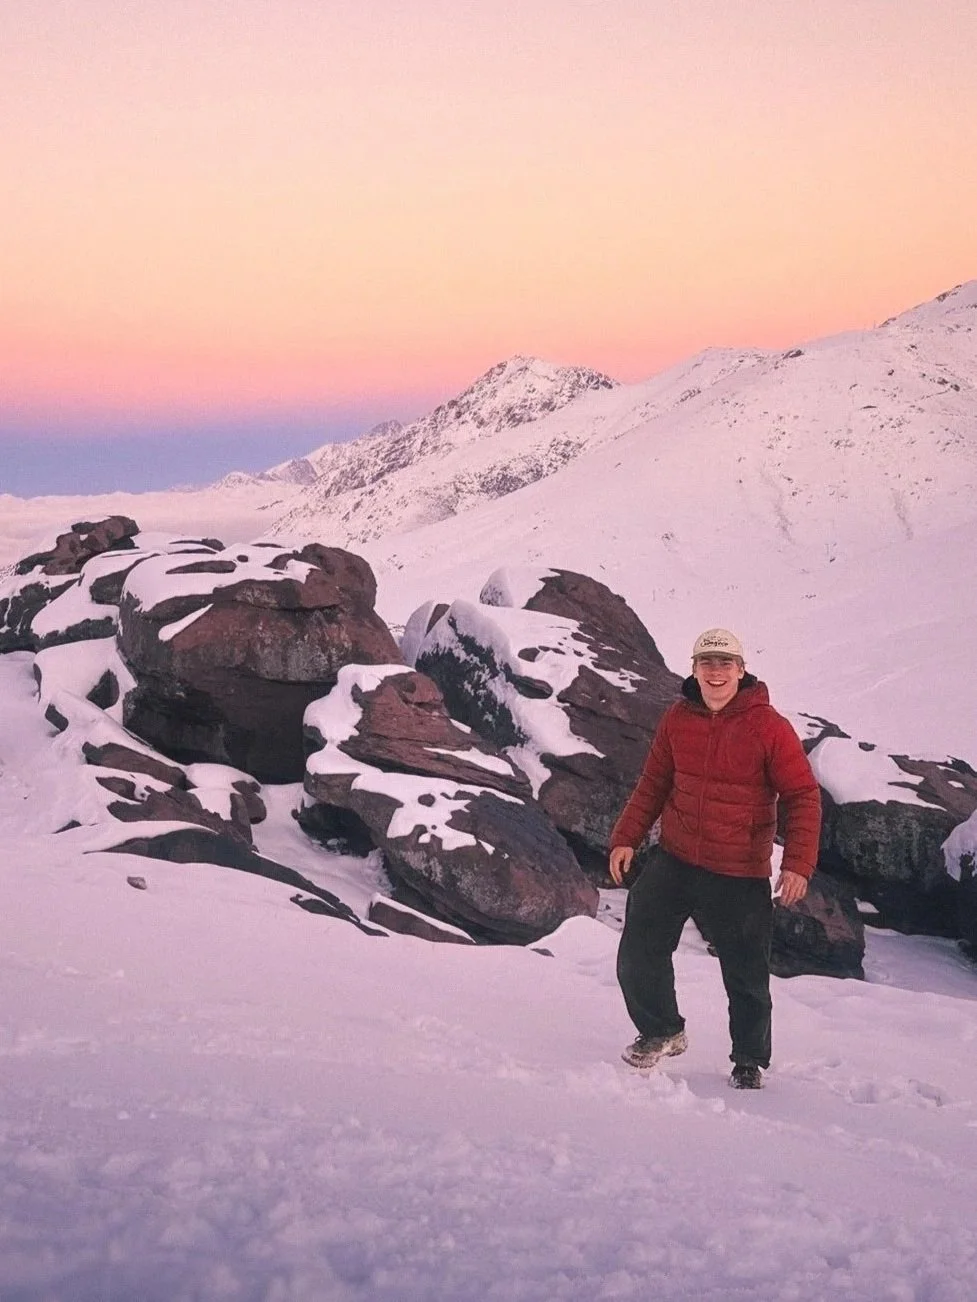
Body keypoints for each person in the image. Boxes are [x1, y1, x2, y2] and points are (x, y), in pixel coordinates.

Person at [609, 628, 821, 1089]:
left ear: (741, 671)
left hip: (739, 869)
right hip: (677, 857)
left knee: (746, 973)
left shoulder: (769, 727)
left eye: (726, 664)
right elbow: (654, 782)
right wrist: (626, 836)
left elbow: (803, 795)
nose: (716, 672)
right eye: (707, 663)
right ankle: (662, 1030)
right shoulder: (677, 719)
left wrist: (798, 864)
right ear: (694, 669)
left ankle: (748, 1059)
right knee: (639, 947)